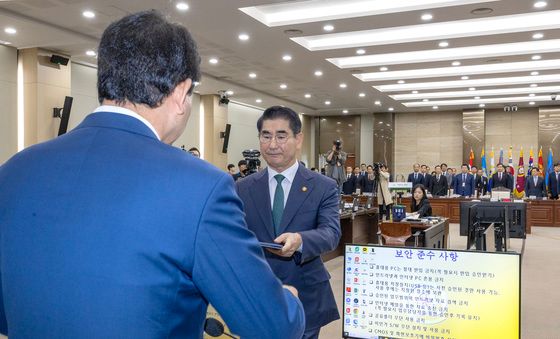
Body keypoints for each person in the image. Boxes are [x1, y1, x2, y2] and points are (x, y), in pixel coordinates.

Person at [0, 11, 305, 339]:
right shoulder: (201, 187)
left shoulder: (14, 171)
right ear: (180, 92)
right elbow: (273, 327)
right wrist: (289, 300)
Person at [236, 106, 341, 339]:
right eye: (266, 136)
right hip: (257, 295)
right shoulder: (242, 187)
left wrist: (301, 240)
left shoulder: (323, 186)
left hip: (305, 294)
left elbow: (331, 232)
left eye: (281, 136)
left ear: (298, 138)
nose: (273, 144)